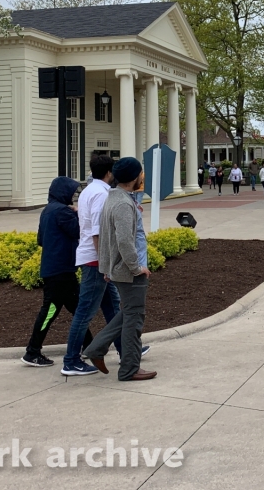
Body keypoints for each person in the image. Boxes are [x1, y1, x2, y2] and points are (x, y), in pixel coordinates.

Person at [83, 157, 157, 381]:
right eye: (141, 174)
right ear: (134, 177)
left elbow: (106, 237)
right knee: (134, 318)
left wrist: (107, 267)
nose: (142, 177)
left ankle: (96, 348)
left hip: (119, 269)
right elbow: (124, 241)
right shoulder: (123, 203)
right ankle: (129, 369)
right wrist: (136, 267)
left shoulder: (114, 197)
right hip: (130, 271)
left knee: (129, 313)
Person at [62, 155, 121, 377]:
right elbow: (98, 231)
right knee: (85, 312)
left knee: (113, 308)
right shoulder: (101, 194)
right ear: (109, 172)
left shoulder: (88, 191)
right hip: (95, 260)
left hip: (93, 258)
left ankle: (127, 349)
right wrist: (105, 264)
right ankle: (70, 361)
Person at [21, 177, 87, 367]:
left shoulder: (47, 210)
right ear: (63, 193)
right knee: (50, 312)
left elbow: (40, 240)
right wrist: (79, 214)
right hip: (61, 271)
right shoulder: (62, 211)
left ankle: (90, 345)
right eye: (71, 192)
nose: (73, 196)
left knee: (78, 308)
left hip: (55, 269)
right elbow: (79, 231)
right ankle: (32, 351)